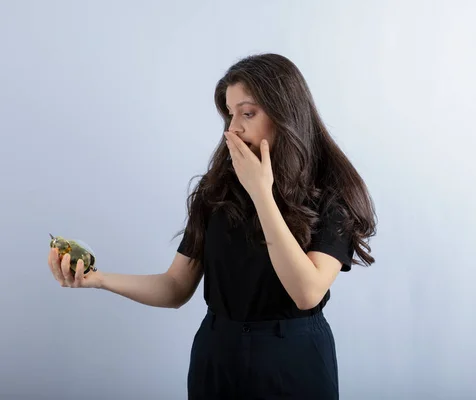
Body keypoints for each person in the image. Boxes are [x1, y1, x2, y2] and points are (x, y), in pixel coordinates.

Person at [47, 53, 377, 399]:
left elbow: (306, 293)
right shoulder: (216, 190)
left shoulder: (332, 192)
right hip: (218, 357)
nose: (233, 128)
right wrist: (97, 279)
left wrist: (261, 194)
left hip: (294, 357)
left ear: (286, 113)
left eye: (247, 113)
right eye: (230, 115)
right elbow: (176, 286)